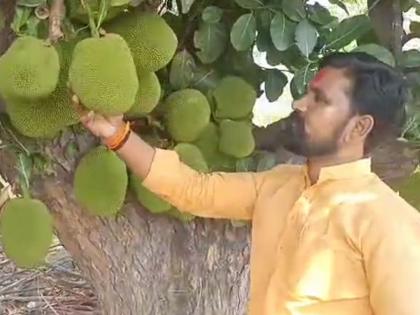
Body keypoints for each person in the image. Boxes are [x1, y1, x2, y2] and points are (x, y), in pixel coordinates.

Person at [73, 52, 420, 315]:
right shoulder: (279, 185)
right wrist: (116, 134)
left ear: (359, 128)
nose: (299, 104)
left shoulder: (388, 223)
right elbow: (194, 189)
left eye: (320, 100)